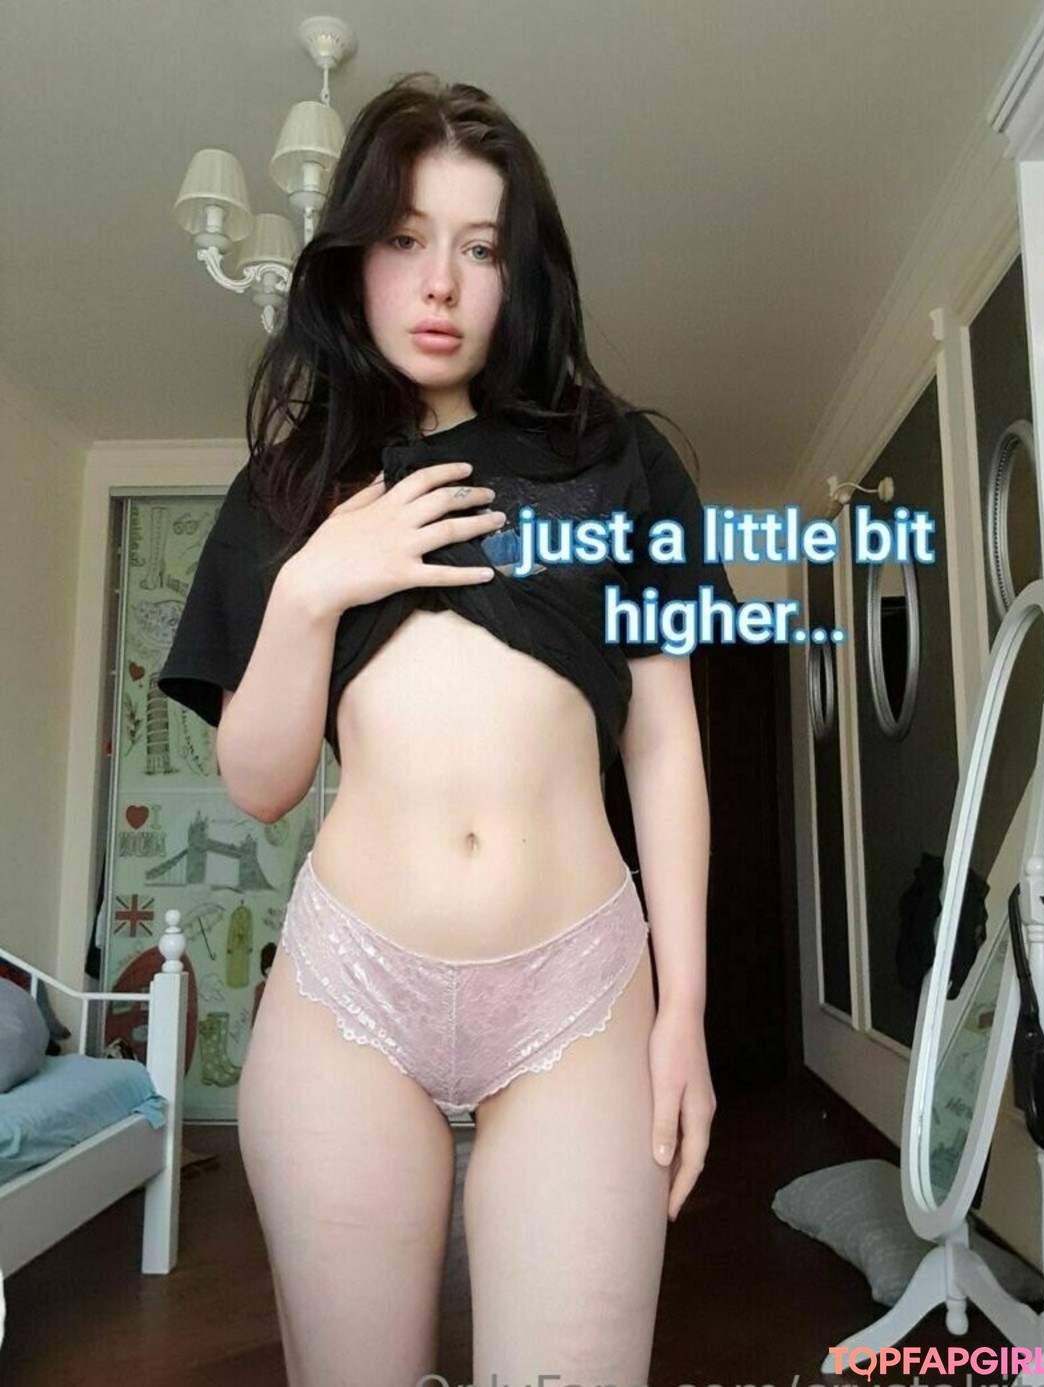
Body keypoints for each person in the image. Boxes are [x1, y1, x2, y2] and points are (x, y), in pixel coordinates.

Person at [159, 71, 728, 1387]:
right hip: (348, 995)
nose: (440, 283)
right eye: (407, 238)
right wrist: (313, 587)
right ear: (353, 258)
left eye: (480, 248)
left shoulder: (620, 461)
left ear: (521, 276)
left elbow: (664, 745)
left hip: (581, 991)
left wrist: (685, 1012)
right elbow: (259, 780)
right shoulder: (288, 489)